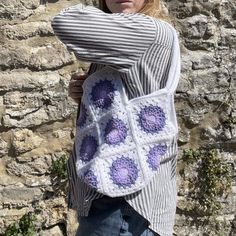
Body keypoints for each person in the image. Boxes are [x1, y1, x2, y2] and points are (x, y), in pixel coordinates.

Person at [51, 0, 181, 235]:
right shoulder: (133, 35)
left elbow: (66, 22)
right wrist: (89, 92)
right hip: (123, 199)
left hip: (122, 202)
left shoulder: (145, 30)